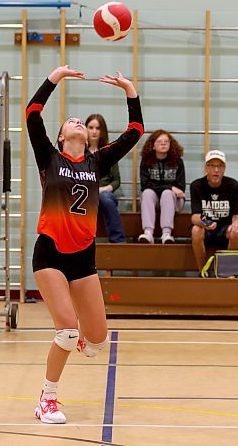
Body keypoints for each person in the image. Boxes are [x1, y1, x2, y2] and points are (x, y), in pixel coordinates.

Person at [26, 65, 143, 424]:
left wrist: (129, 89)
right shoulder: (50, 158)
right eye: (71, 121)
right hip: (50, 253)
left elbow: (135, 132)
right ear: (61, 137)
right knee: (66, 330)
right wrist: (55, 78)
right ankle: (47, 399)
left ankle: (81, 338)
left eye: (81, 122)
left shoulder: (97, 160)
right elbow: (32, 114)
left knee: (97, 342)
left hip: (83, 258)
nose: (77, 122)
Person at [190, 150, 238, 274]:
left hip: (225, 228)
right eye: (212, 166)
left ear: (224, 169)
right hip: (206, 228)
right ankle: (202, 272)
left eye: (220, 166)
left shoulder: (233, 185)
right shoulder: (196, 185)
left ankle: (227, 271)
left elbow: (236, 216)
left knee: (236, 231)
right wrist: (204, 223)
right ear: (206, 168)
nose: (216, 170)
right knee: (196, 230)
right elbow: (194, 217)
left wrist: (235, 226)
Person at [138, 129, 186, 244]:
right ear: (153, 146)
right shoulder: (146, 161)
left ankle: (166, 234)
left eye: (166, 141)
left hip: (174, 201)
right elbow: (145, 185)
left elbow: (180, 188)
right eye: (159, 141)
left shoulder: (177, 162)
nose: (163, 144)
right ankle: (148, 233)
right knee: (147, 193)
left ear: (171, 144)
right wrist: (169, 187)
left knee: (167, 194)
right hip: (153, 200)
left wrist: (168, 189)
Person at [85, 113, 126, 243]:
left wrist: (103, 189)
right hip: (84, 194)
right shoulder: (79, 152)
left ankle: (118, 241)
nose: (94, 131)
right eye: (91, 127)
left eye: (98, 128)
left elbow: (116, 181)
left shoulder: (108, 152)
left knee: (105, 198)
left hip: (104, 194)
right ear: (85, 129)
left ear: (102, 131)